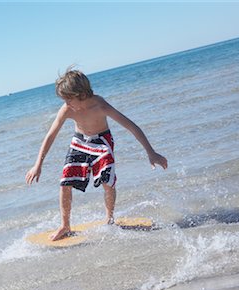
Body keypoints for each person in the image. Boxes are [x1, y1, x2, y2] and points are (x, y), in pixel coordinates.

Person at [25, 67, 168, 241]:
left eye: (69, 99)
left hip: (102, 141)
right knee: (65, 182)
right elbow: (51, 135)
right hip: (79, 141)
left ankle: (109, 219)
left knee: (107, 181)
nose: (66, 103)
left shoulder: (99, 105)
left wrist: (150, 152)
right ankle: (65, 225)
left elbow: (131, 126)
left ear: (81, 94)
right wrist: (37, 164)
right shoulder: (67, 109)